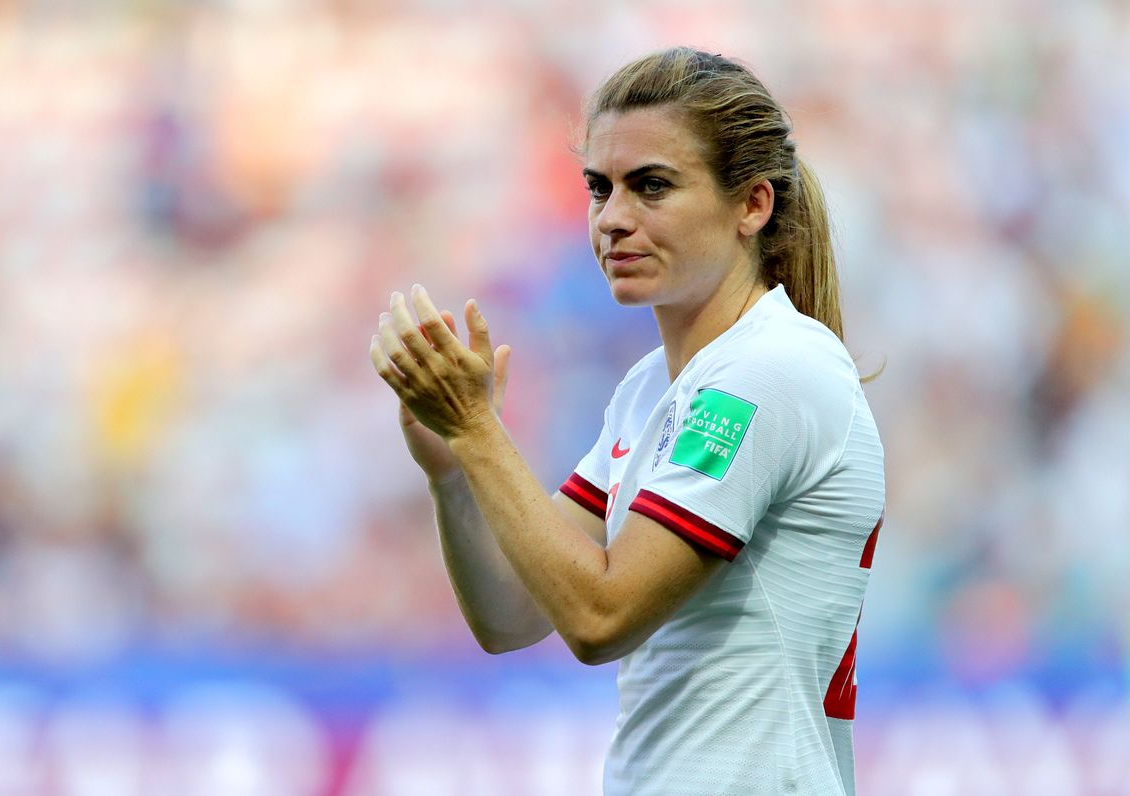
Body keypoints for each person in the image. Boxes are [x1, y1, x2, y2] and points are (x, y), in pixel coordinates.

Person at [368, 46, 885, 796]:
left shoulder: (769, 369)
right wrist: (452, 466)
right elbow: (512, 615)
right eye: (599, 188)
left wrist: (481, 431)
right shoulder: (652, 389)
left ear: (753, 205)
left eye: (652, 187)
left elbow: (599, 616)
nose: (613, 220)